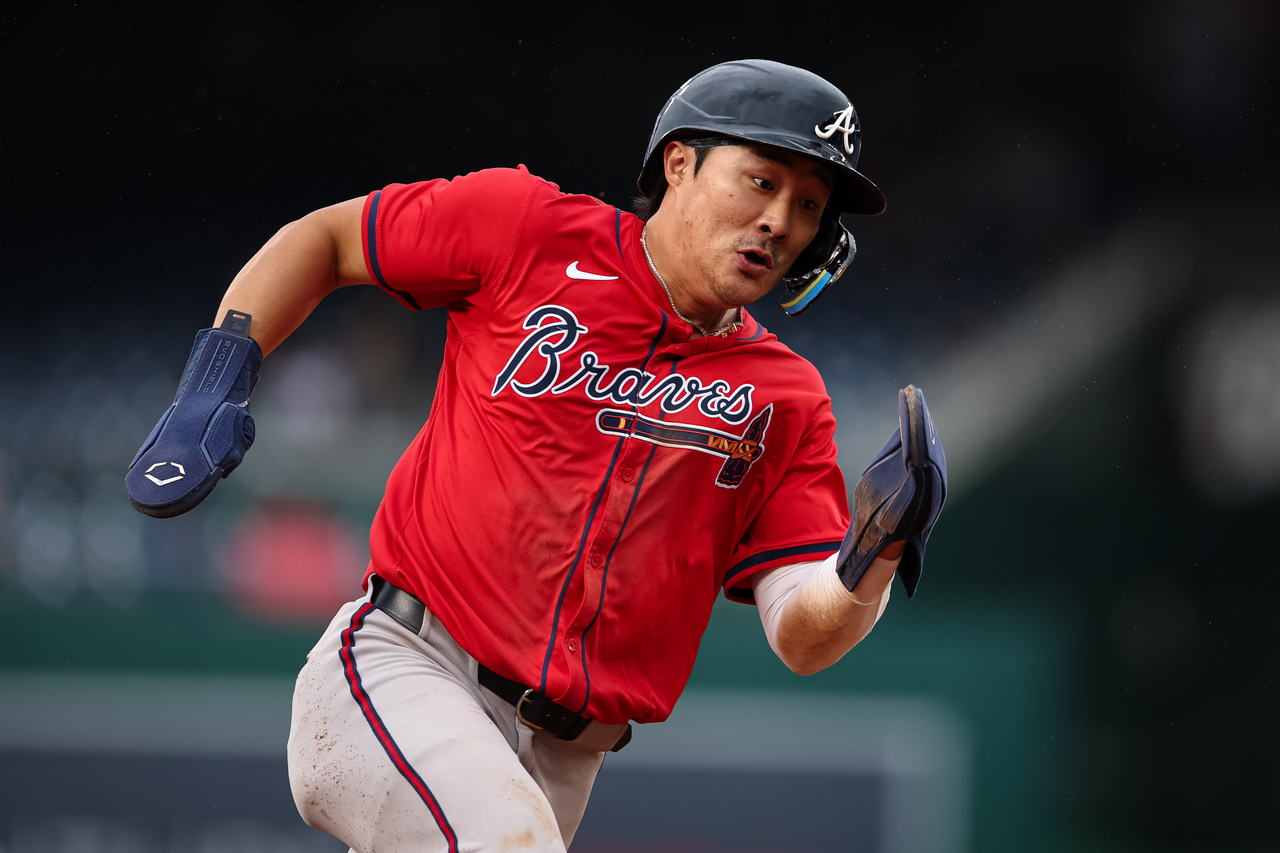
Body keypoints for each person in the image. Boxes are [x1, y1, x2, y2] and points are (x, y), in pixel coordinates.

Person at [126, 59, 947, 853]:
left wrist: (871, 556)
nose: (780, 221)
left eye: (808, 204)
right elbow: (331, 239)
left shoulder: (787, 396)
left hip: (564, 758)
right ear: (680, 162)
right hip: (405, 667)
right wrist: (215, 381)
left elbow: (801, 635)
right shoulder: (528, 229)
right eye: (761, 181)